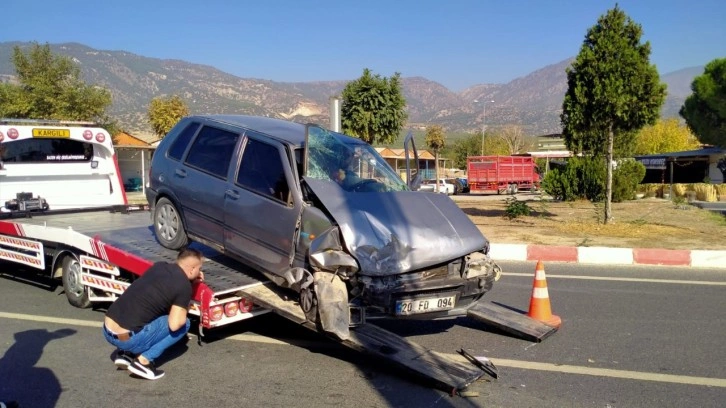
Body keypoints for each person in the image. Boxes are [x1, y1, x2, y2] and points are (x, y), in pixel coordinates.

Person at [103, 247, 204, 380]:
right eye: (199, 269)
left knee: (149, 309)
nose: (199, 272)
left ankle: (126, 354)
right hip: (129, 339)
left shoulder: (159, 266)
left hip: (107, 330)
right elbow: (175, 324)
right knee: (184, 324)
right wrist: (188, 293)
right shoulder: (183, 286)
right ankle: (143, 362)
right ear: (192, 269)